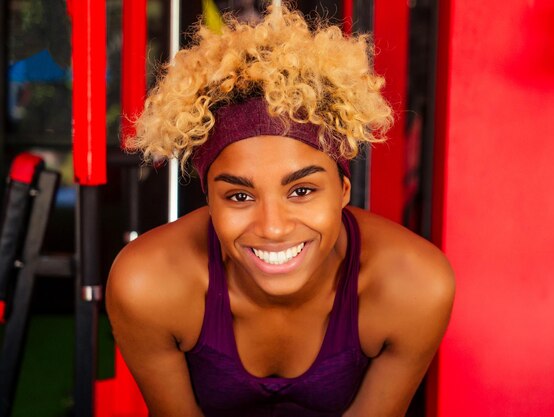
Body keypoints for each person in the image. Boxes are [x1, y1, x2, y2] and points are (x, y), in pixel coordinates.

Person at [106, 5, 455, 417]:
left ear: (343, 191)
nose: (272, 228)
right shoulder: (147, 285)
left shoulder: (414, 286)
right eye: (239, 197)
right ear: (209, 200)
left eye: (302, 190)